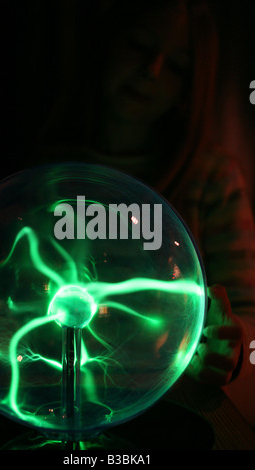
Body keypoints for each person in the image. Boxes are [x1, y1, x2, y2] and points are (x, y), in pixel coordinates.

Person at [35, 0, 255, 392]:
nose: (150, 72)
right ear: (107, 44)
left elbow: (246, 312)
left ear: (190, 89)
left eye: (176, 67)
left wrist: (229, 346)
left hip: (173, 399)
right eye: (139, 45)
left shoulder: (211, 177)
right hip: (54, 393)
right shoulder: (41, 173)